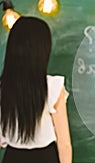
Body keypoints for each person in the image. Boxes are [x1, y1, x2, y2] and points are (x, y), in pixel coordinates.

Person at [0, 17, 72, 163]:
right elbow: (64, 144)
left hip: (12, 157)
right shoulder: (52, 86)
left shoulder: (3, 86)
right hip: (46, 157)